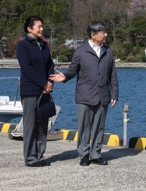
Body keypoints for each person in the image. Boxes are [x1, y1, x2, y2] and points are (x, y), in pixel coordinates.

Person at [50, 20, 118, 166]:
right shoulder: (81, 51)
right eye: (103, 32)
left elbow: (112, 74)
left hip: (103, 95)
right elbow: (73, 70)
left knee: (99, 127)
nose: (105, 34)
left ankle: (96, 153)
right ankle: (84, 154)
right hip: (84, 95)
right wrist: (65, 77)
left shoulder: (108, 51)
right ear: (93, 34)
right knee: (84, 126)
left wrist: (115, 93)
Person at [16, 16, 54, 167]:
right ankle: (30, 158)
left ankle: (39, 155)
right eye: (39, 26)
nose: (42, 29)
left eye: (42, 26)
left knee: (42, 124)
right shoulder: (22, 45)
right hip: (31, 90)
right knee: (31, 125)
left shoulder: (44, 45)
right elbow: (27, 69)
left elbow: (50, 64)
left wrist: (50, 82)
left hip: (45, 91)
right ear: (29, 29)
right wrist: (43, 83)